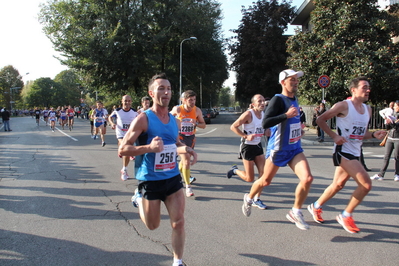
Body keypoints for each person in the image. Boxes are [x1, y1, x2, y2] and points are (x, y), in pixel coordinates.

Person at [119, 73, 197, 266]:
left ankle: (177, 261)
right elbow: (123, 149)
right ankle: (138, 197)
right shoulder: (143, 119)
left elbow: (174, 144)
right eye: (161, 88)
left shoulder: (174, 120)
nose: (166, 92)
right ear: (151, 93)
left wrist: (186, 148)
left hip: (172, 178)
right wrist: (148, 148)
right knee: (153, 226)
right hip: (150, 180)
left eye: (169, 89)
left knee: (178, 222)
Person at [307, 76, 386, 234]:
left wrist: (373, 134)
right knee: (365, 185)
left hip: (355, 152)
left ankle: (315, 206)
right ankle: (345, 215)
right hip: (342, 151)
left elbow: (361, 134)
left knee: (338, 185)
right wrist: (334, 136)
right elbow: (320, 120)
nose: (368, 90)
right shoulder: (343, 105)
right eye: (364, 87)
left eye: (369, 87)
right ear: (353, 90)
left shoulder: (368, 110)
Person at [241, 69, 313, 231]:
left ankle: (296, 211)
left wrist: (298, 129)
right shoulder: (277, 100)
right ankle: (249, 197)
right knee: (265, 181)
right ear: (283, 82)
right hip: (278, 149)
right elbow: (265, 122)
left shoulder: (294, 99)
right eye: (291, 79)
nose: (295, 82)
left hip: (294, 148)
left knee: (307, 178)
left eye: (296, 79)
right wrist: (285, 116)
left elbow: (291, 122)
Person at [228, 94, 267, 210]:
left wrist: (266, 132)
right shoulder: (248, 114)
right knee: (250, 178)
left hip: (258, 146)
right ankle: (235, 170)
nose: (262, 103)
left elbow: (262, 128)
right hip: (247, 147)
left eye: (263, 101)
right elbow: (233, 127)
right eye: (259, 101)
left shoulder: (263, 114)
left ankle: (257, 199)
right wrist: (245, 136)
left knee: (263, 175)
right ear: (253, 104)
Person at [170, 90, 206, 197]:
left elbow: (203, 125)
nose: (193, 102)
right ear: (184, 100)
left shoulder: (197, 110)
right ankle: (188, 187)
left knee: (184, 161)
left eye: (194, 99)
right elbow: (166, 119)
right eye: (190, 100)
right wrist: (176, 123)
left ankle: (178, 174)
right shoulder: (177, 109)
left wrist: (196, 123)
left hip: (191, 137)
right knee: (186, 159)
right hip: (180, 137)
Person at [108, 95, 138, 181]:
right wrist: (112, 123)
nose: (127, 103)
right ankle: (124, 170)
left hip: (129, 134)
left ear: (131, 102)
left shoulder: (134, 112)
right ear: (122, 101)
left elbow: (139, 120)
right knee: (125, 147)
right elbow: (110, 117)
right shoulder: (117, 111)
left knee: (125, 150)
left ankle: (123, 166)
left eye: (129, 101)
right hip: (120, 133)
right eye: (125, 101)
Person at [371, 101, 399, 181]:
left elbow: (397, 127)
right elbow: (389, 128)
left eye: (396, 106)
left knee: (397, 157)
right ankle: (381, 174)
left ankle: (397, 174)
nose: (394, 108)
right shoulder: (392, 114)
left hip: (398, 139)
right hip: (390, 138)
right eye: (394, 106)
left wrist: (392, 122)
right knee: (386, 157)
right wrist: (388, 123)